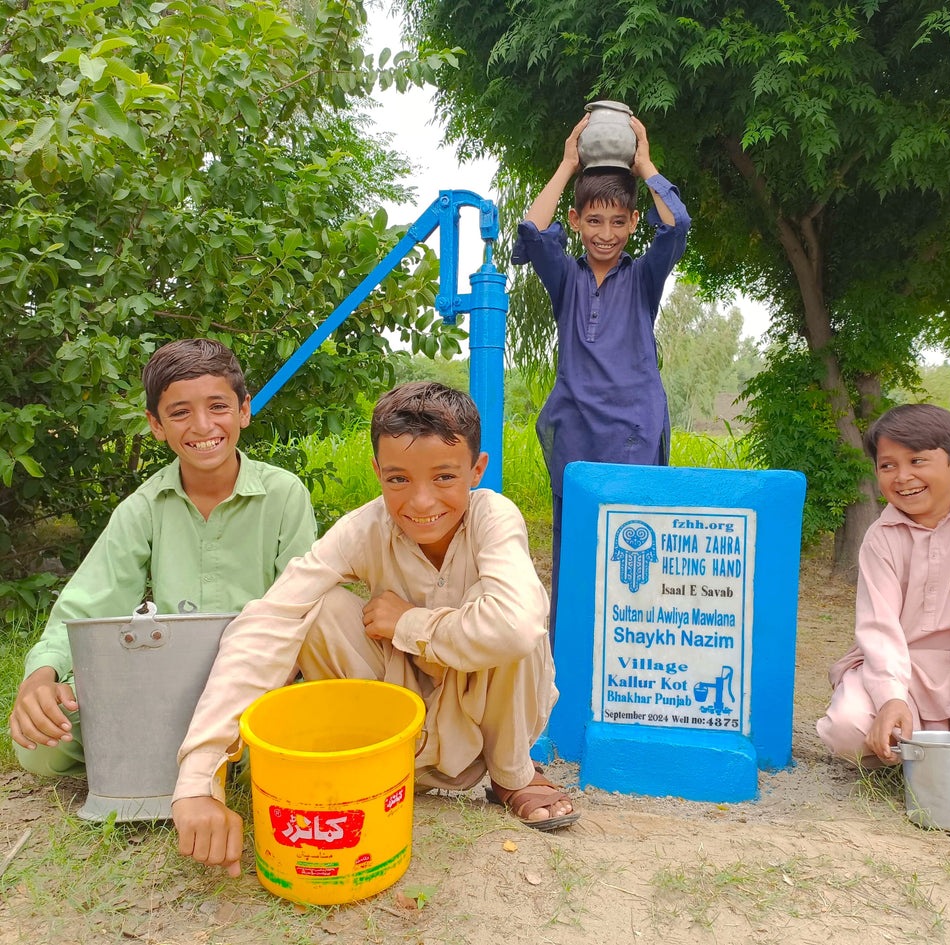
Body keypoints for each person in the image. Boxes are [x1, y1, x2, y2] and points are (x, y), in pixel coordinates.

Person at [172, 381, 576, 876]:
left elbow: (514, 627)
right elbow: (266, 620)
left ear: (477, 470)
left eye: (445, 476)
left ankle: (511, 774)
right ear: (377, 473)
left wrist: (409, 623)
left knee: (517, 621)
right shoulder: (363, 529)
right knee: (310, 609)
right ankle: (372, 763)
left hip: (484, 711)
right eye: (398, 479)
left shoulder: (493, 517)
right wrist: (198, 774)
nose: (421, 501)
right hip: (400, 721)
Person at [8, 339, 318, 776]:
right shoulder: (143, 507)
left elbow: (301, 607)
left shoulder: (285, 494)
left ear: (244, 411)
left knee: (283, 740)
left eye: (218, 406)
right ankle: (193, 746)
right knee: (42, 749)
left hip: (261, 680)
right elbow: (86, 605)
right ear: (156, 425)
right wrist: (41, 676)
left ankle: (195, 750)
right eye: (180, 412)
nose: (203, 425)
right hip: (165, 681)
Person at [511, 113, 691, 643]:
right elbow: (533, 230)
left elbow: (676, 225)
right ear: (577, 221)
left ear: (633, 223)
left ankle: (633, 649)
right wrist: (569, 163)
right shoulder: (565, 276)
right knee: (576, 547)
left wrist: (645, 164)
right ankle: (567, 658)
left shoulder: (643, 277)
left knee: (636, 546)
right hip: (576, 431)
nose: (605, 234)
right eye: (594, 221)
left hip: (633, 430)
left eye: (617, 222)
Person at [817, 403, 950, 766]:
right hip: (898, 670)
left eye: (917, 461)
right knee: (846, 729)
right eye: (887, 465)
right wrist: (891, 698)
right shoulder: (880, 538)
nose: (902, 477)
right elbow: (879, 628)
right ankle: (919, 751)